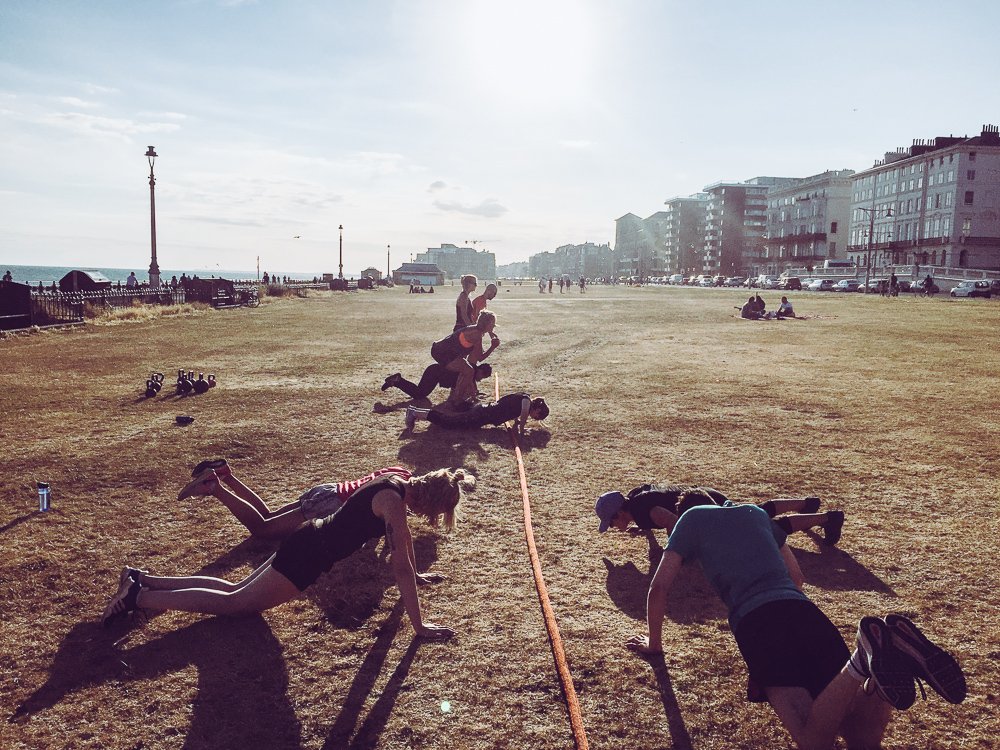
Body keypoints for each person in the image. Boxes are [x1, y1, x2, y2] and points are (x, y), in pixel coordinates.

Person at [625, 493, 967, 749]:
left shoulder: (691, 518)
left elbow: (659, 587)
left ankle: (862, 664)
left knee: (812, 738)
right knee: (861, 736)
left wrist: (655, 645)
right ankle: (885, 651)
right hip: (805, 613)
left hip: (758, 623)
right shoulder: (757, 515)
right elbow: (798, 577)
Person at [102, 468, 475, 639]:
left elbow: (404, 554)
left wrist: (417, 574)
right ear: (431, 503)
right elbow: (401, 567)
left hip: (307, 540)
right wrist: (419, 625)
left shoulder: (394, 481)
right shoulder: (394, 504)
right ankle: (139, 596)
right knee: (236, 605)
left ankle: (143, 579)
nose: (432, 520)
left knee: (234, 590)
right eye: (437, 514)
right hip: (308, 556)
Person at [176, 459, 413, 540]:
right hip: (331, 503)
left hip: (330, 490)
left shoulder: (400, 471)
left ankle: (226, 476)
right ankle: (214, 486)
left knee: (268, 516)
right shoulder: (398, 497)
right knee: (263, 530)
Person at [595, 484, 844, 545]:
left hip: (709, 507)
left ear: (619, 513)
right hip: (705, 496)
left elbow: (675, 522)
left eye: (611, 522)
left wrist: (678, 552)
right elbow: (657, 509)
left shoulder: (641, 510)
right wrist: (646, 529)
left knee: (765, 526)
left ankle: (828, 518)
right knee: (757, 512)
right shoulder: (636, 500)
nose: (613, 526)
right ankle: (806, 503)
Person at [430, 311, 500, 406]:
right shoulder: (476, 335)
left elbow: (473, 360)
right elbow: (480, 357)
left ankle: (457, 397)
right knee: (468, 371)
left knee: (467, 369)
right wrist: (492, 347)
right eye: (493, 325)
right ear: (487, 324)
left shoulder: (476, 330)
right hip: (441, 352)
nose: (494, 327)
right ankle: (458, 401)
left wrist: (490, 333)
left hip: (443, 350)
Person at [406, 393, 548, 436]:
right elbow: (523, 415)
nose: (535, 418)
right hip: (482, 414)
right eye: (538, 416)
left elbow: (514, 410)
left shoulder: (524, 398)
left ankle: (416, 412)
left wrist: (517, 422)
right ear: (537, 410)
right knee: (450, 422)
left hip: (483, 413)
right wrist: (522, 430)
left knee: (454, 422)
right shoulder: (525, 402)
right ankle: (415, 412)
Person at [382, 362, 493, 400]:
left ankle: (397, 381)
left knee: (420, 393)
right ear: (480, 371)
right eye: (482, 377)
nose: (481, 379)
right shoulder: (470, 371)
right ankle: (398, 380)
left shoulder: (472, 371)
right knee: (419, 394)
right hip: (434, 373)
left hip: (435, 371)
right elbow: (469, 387)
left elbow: (471, 386)